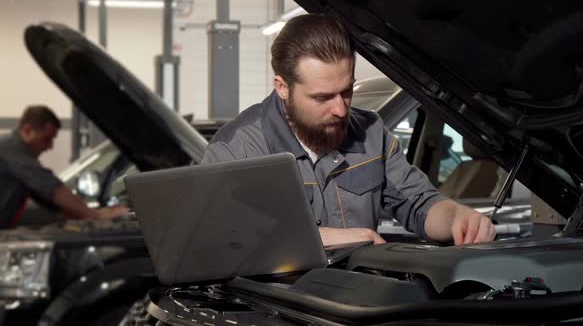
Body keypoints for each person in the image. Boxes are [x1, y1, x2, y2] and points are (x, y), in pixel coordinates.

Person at [203, 14, 495, 246]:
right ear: (283, 87)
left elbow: (419, 204)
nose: (341, 110)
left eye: (346, 92)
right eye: (322, 97)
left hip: (358, 301)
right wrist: (334, 239)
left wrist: (456, 216)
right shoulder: (236, 149)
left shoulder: (371, 133)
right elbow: (220, 239)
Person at [0, 105, 128, 228]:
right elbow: (51, 187)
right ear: (27, 130)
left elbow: (50, 200)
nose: (50, 147)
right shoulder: (12, 150)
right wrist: (96, 214)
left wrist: (85, 213)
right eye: (47, 139)